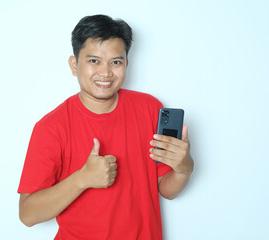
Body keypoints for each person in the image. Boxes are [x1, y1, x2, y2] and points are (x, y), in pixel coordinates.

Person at [18, 14, 194, 240]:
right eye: (94, 61)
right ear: (74, 64)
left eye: (116, 62)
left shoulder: (150, 108)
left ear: (126, 64)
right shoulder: (51, 127)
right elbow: (27, 214)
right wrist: (82, 178)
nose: (106, 72)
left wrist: (184, 169)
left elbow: (166, 190)